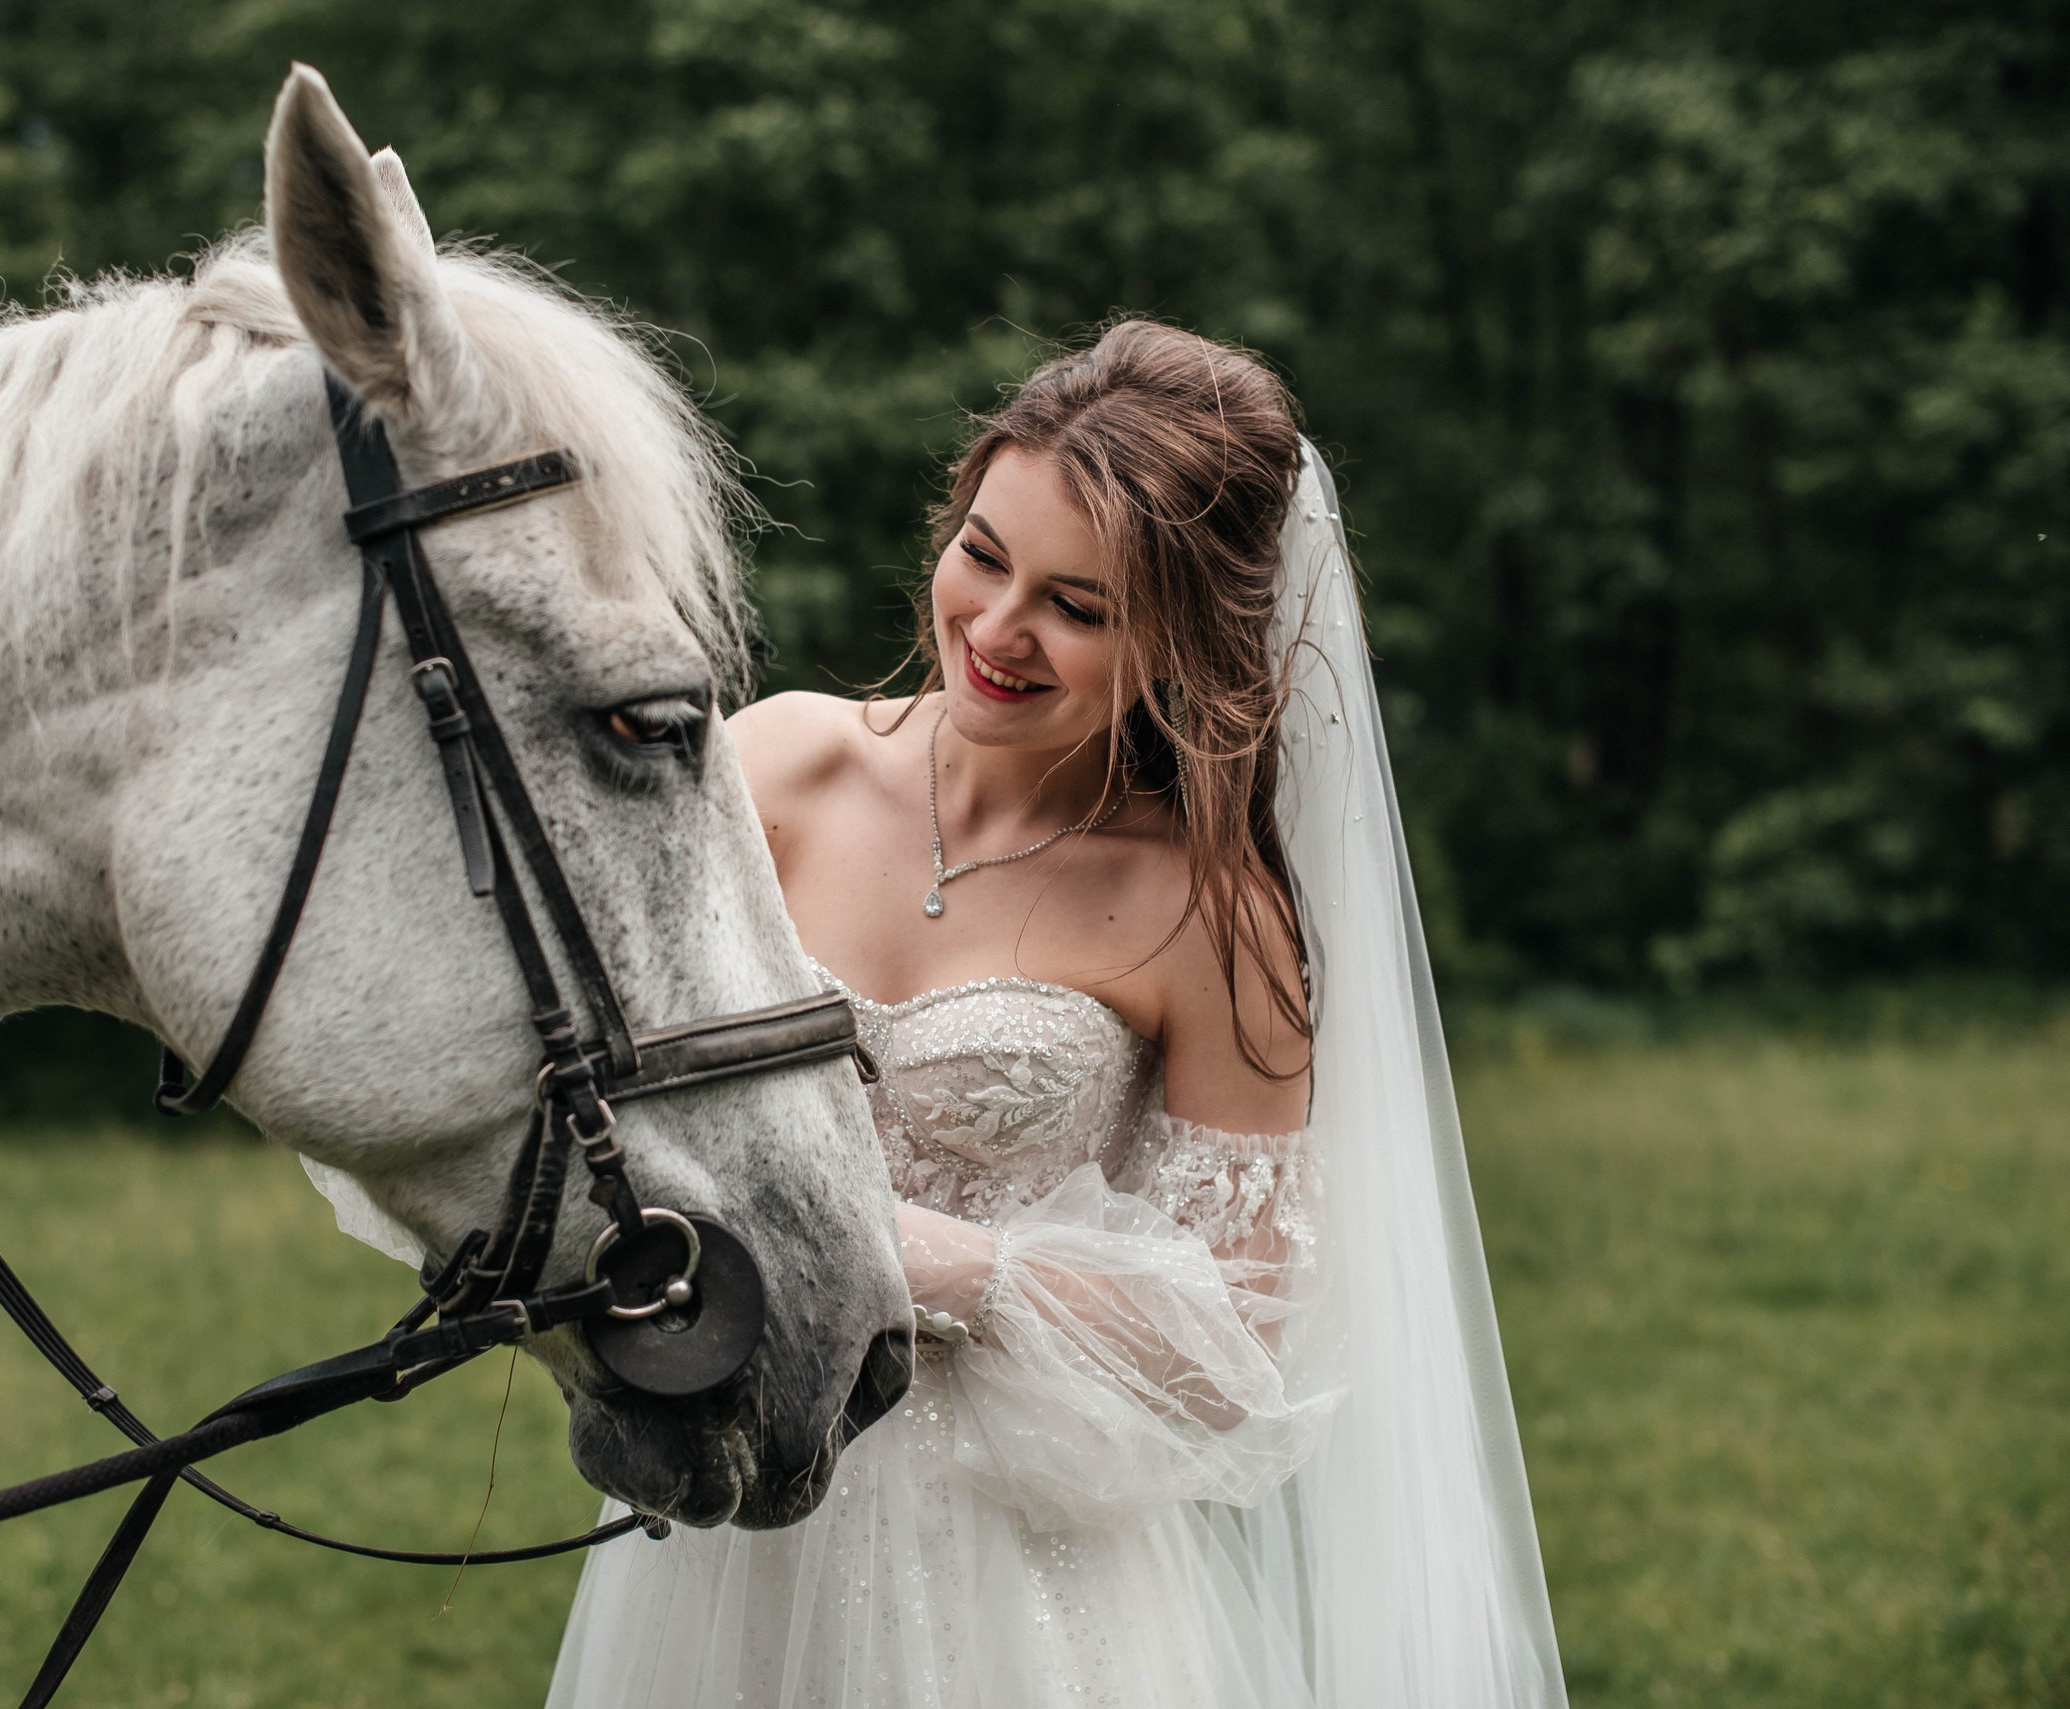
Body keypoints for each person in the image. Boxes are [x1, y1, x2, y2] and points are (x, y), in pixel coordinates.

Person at [318, 318, 1565, 1705]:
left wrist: (934, 1260)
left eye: (1079, 608)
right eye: (984, 552)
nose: (998, 628)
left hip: (1016, 1576)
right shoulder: (780, 765)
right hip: (736, 1515)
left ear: (1185, 643)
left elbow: (1236, 1342)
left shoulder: (1208, 914)